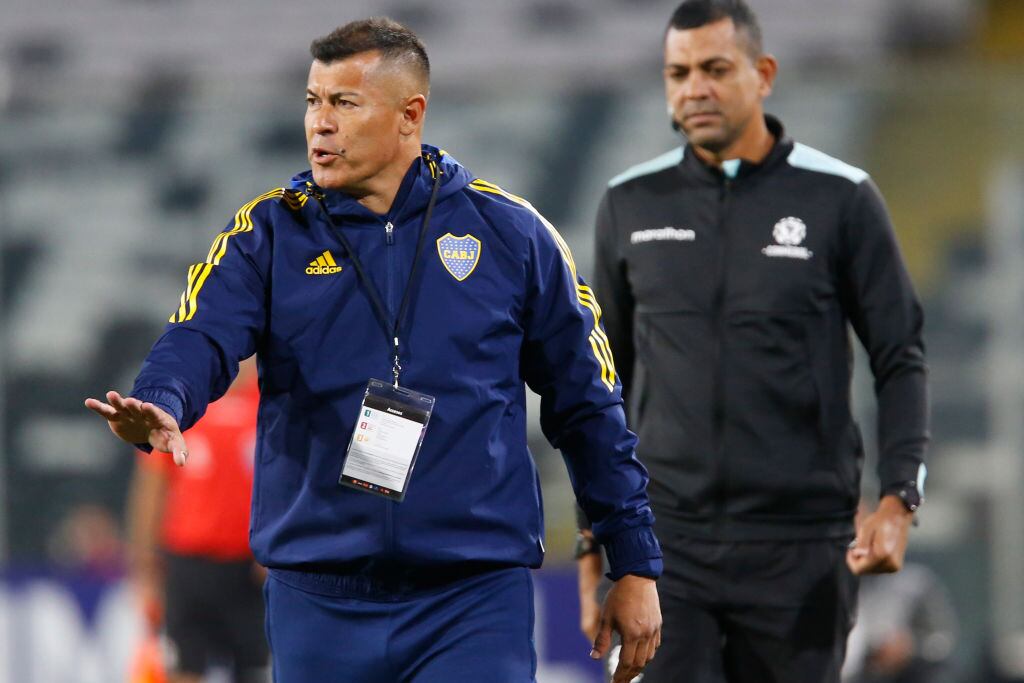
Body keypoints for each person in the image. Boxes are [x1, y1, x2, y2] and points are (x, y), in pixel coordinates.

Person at [85, 17, 663, 683]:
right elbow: (200, 331)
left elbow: (588, 403)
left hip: (471, 600)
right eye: (312, 101)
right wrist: (164, 397)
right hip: (318, 601)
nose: (319, 124)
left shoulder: (513, 235)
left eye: (344, 103)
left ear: (408, 116)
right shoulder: (269, 233)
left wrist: (634, 558)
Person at [577, 1, 929, 681]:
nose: (694, 88)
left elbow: (900, 355)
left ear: (763, 73)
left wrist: (898, 497)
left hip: (801, 545)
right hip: (664, 542)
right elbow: (600, 386)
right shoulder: (628, 202)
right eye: (678, 72)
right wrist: (596, 543)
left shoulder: (842, 198)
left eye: (715, 68)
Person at [126, 358, 268, 683]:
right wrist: (144, 563)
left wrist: (278, 546)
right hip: (188, 562)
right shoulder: (182, 403)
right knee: (184, 666)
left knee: (254, 668)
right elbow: (152, 487)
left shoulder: (270, 401)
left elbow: (290, 477)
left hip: (249, 565)